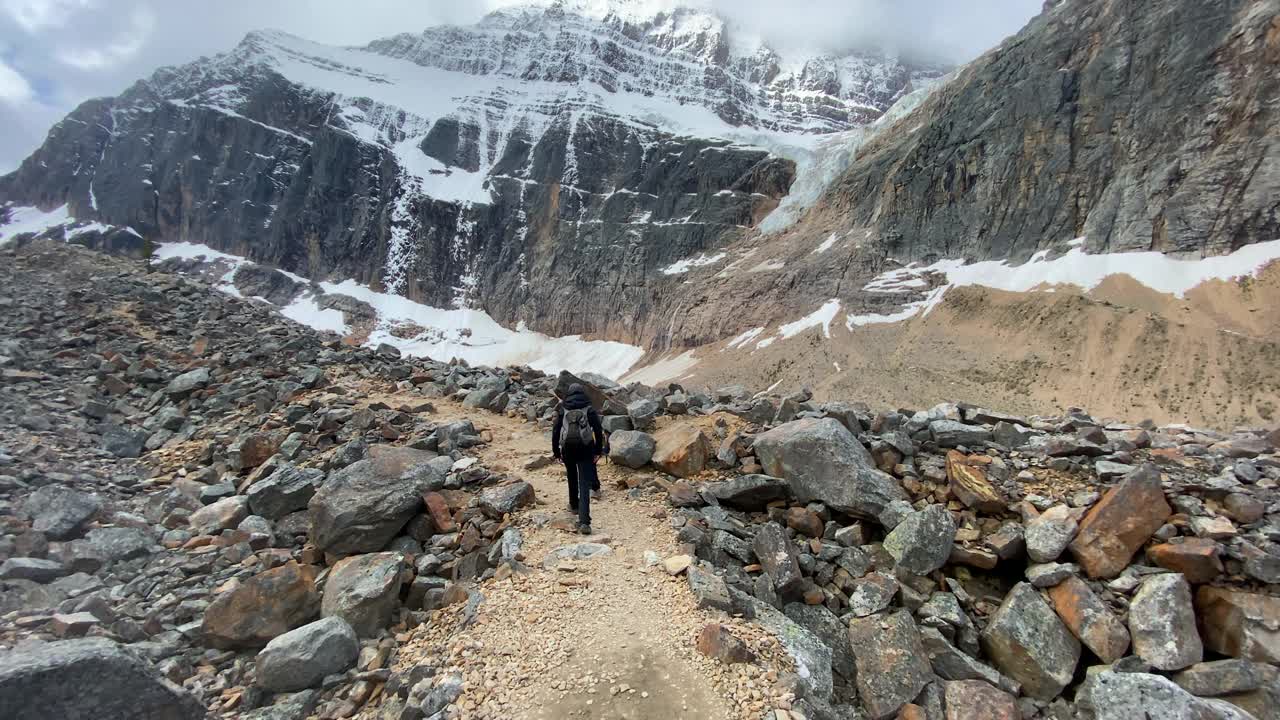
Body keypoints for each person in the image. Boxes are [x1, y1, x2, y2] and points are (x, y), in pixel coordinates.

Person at [552, 383, 605, 534]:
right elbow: (598, 429)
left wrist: (556, 452)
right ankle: (584, 522)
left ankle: (574, 505)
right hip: (586, 449)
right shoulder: (588, 407)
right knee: (584, 483)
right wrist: (598, 451)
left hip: (568, 449)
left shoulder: (563, 407)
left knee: (571, 476)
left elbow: (556, 430)